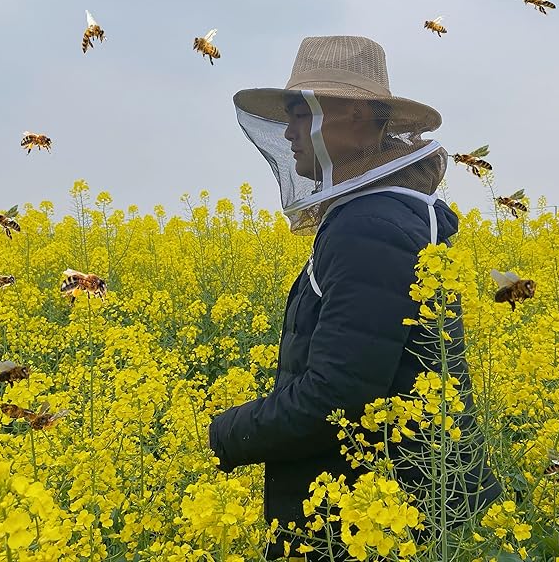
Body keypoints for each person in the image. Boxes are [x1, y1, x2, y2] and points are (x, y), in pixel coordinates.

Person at [209, 35, 502, 561]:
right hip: (382, 505)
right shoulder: (387, 215)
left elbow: (338, 394)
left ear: (358, 115)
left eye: (302, 114)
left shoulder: (369, 225)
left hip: (367, 520)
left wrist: (229, 432)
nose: (291, 131)